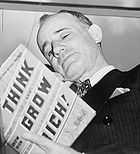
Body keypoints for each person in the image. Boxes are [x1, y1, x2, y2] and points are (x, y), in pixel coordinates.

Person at [23, 10, 140, 154]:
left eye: (65, 35)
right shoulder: (53, 120)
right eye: (48, 52)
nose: (56, 50)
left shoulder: (136, 79)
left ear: (95, 34)